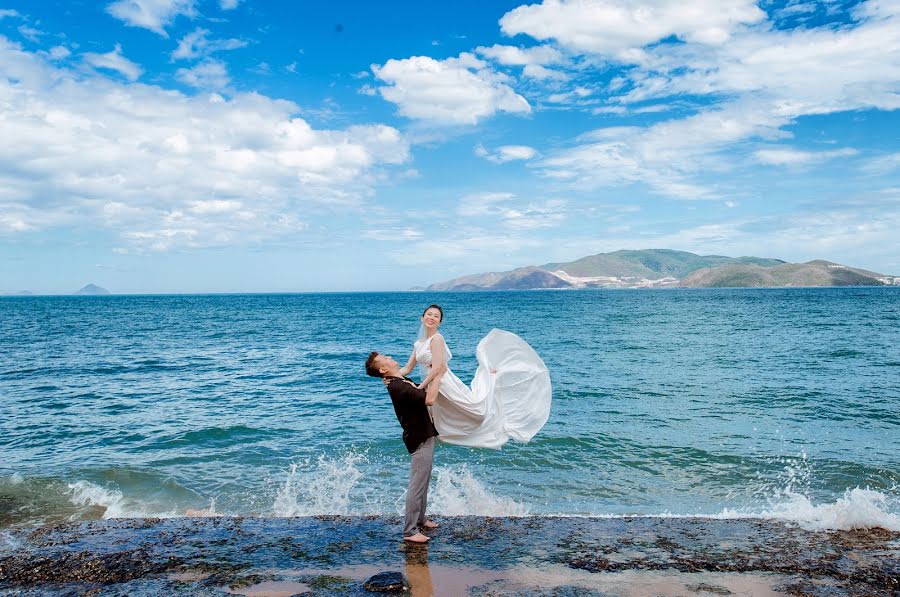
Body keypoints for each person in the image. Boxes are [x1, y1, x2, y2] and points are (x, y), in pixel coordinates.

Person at [398, 305, 552, 449]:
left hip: (443, 382)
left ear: (440, 322)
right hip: (432, 384)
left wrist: (420, 388)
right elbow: (407, 368)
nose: (432, 317)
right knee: (443, 419)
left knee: (475, 412)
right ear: (422, 318)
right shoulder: (418, 343)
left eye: (436, 316)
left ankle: (495, 389)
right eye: (429, 314)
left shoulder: (437, 339)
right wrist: (390, 375)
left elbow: (438, 367)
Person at [365, 350, 443, 543]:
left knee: (424, 481)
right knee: (417, 485)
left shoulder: (399, 380)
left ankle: (421, 519)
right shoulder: (398, 386)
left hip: (425, 433)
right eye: (386, 359)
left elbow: (417, 389)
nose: (390, 357)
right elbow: (429, 399)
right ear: (383, 369)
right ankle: (410, 531)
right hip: (418, 437)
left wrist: (422, 350)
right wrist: (438, 375)